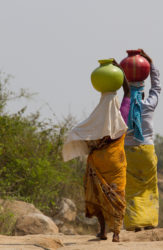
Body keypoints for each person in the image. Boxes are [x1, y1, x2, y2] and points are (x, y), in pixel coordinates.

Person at [62, 70, 129, 242]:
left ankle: (102, 231)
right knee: (117, 196)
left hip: (97, 164)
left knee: (98, 195)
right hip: (116, 163)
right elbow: (128, 93)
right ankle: (116, 233)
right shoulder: (122, 116)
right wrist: (120, 73)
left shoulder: (95, 120)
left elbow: (77, 132)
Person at [119, 49, 161, 232]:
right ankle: (149, 222)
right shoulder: (150, 104)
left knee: (131, 189)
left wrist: (118, 72)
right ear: (143, 94)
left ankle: (136, 224)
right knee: (149, 186)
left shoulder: (123, 107)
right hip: (146, 150)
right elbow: (157, 87)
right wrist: (150, 63)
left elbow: (121, 93)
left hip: (127, 152)